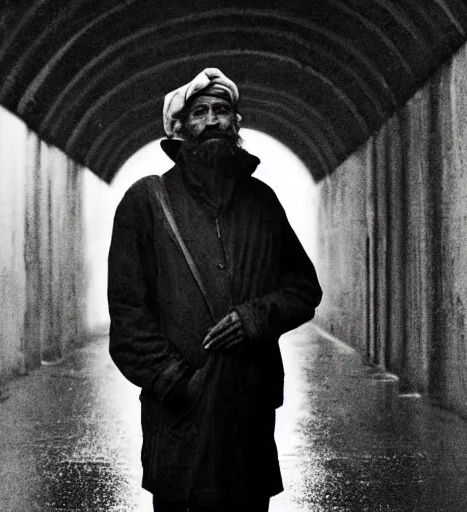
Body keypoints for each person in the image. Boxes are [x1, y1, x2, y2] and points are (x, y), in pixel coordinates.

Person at [107, 68, 322, 511]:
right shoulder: (145, 203)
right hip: (179, 421)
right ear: (180, 128)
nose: (211, 120)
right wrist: (180, 384)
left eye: (221, 110)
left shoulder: (262, 202)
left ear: (236, 123)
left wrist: (253, 317)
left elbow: (304, 289)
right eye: (199, 111)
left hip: (248, 414)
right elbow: (129, 319)